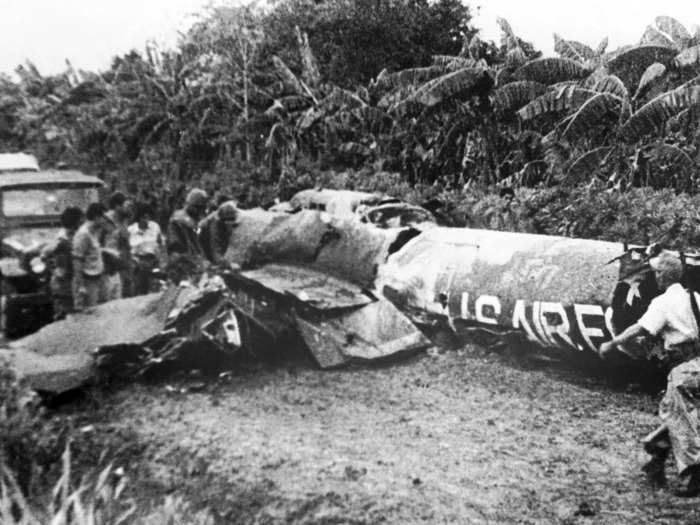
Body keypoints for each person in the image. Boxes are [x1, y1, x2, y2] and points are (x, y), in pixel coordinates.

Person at [600, 252, 700, 496]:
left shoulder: (663, 302)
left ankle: (693, 475)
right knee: (677, 412)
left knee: (678, 416)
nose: (654, 276)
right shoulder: (695, 297)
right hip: (697, 363)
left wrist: (611, 344)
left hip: (683, 368)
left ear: (663, 276)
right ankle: (655, 459)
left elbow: (640, 328)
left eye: (656, 272)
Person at [42, 206, 83, 320]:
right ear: (75, 222)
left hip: (71, 284)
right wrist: (56, 270)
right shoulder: (61, 241)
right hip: (64, 285)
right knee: (64, 317)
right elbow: (45, 255)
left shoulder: (72, 237)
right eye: (80, 220)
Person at [72, 202, 108, 310]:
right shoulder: (83, 234)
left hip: (97, 277)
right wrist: (81, 286)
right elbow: (77, 260)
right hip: (87, 280)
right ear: (97, 217)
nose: (105, 221)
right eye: (103, 217)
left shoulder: (95, 232)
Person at [128, 203, 165, 295]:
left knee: (156, 286)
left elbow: (161, 242)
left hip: (153, 260)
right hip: (137, 261)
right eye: (143, 217)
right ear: (139, 218)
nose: (146, 220)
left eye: (148, 217)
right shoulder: (131, 230)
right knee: (140, 286)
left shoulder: (154, 226)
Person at [102, 192, 133, 300]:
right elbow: (108, 249)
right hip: (110, 272)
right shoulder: (107, 222)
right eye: (127, 206)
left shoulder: (123, 221)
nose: (130, 209)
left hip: (122, 269)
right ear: (117, 206)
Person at [167, 188, 208, 257]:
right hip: (184, 259)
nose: (200, 212)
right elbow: (174, 246)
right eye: (199, 208)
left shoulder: (199, 220)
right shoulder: (178, 219)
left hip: (198, 258)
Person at [198, 200, 239, 265]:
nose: (229, 223)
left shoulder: (224, 215)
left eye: (231, 220)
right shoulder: (214, 225)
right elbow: (215, 244)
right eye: (228, 220)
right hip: (203, 242)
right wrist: (222, 262)